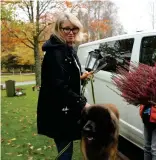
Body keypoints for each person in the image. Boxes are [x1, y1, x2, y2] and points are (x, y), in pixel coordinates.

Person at [37, 12, 92, 160]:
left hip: (66, 108)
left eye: (74, 29)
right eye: (66, 28)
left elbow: (63, 78)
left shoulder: (68, 49)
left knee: (67, 150)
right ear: (58, 29)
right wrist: (83, 103)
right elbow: (58, 86)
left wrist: (80, 77)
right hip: (58, 111)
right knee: (66, 152)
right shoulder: (55, 52)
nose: (71, 32)